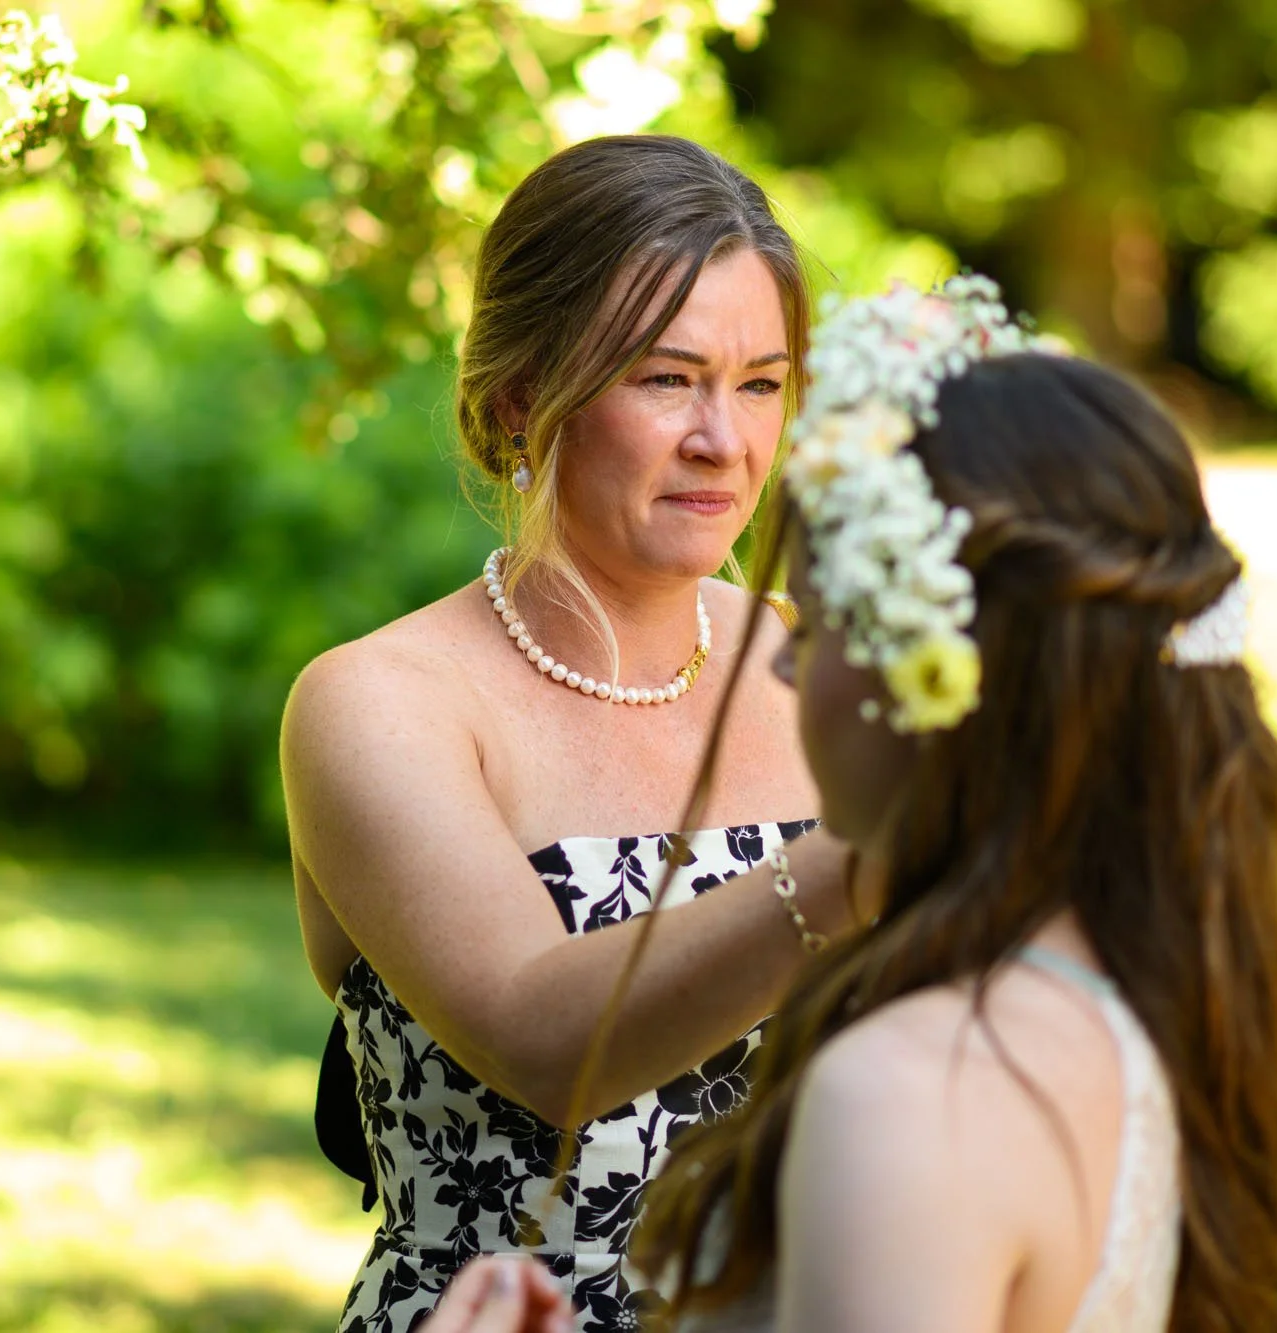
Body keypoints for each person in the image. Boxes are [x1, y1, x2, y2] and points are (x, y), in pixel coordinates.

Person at [425, 278, 1277, 1332]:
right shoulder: (1200, 1010)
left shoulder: (911, 1092)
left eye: (814, 627)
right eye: (666, 378)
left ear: (935, 675)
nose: (780, 671)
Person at [279, 135, 865, 1333]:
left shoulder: (835, 665)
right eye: (666, 378)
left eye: (761, 382)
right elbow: (544, 1040)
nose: (724, 438)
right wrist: (870, 860)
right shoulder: (380, 703)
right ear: (519, 400)